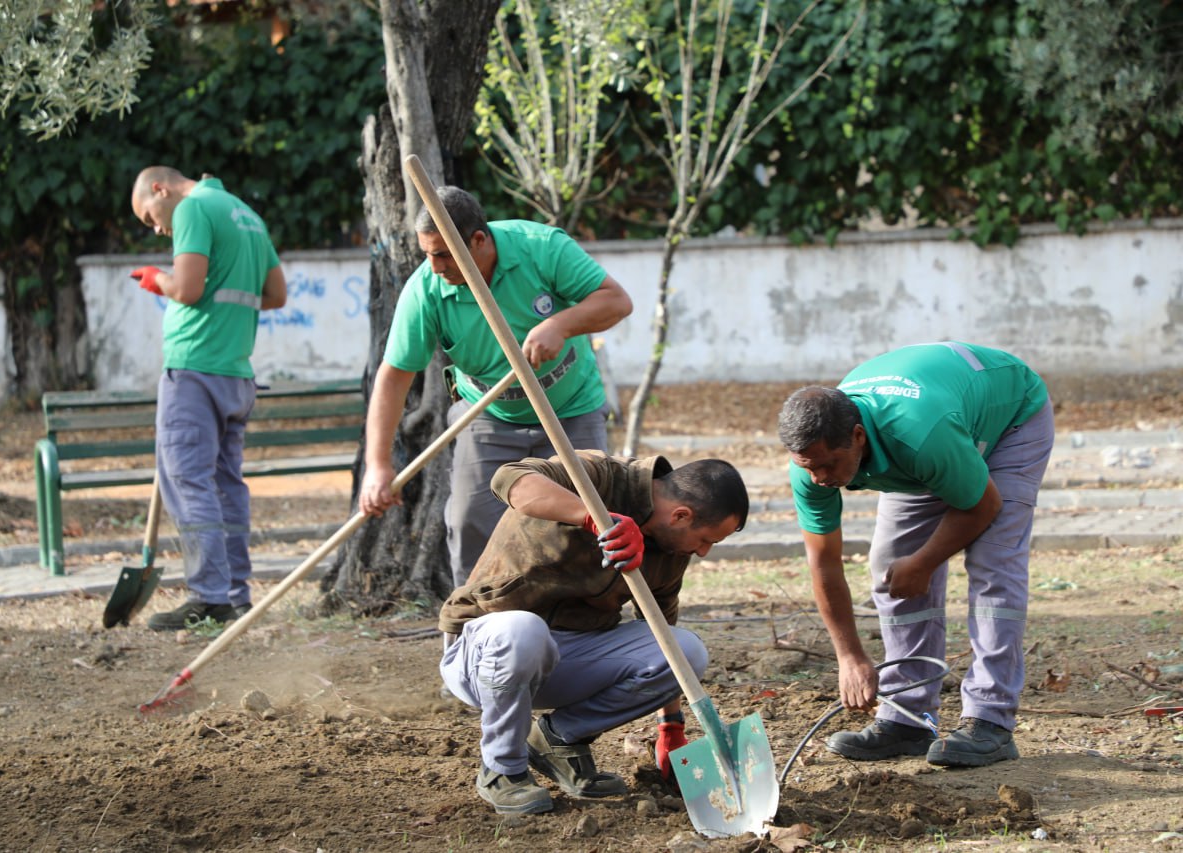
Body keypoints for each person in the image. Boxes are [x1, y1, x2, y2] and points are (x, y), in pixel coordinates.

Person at [777, 341, 1053, 768]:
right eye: (808, 466)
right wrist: (850, 656)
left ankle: (991, 721)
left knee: (994, 561)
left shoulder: (920, 432)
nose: (820, 478)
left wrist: (925, 561)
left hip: (1008, 420)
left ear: (857, 436)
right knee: (891, 567)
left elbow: (984, 506)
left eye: (829, 464)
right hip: (931, 438)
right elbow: (824, 562)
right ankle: (909, 718)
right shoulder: (811, 464)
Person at [437, 450, 749, 815]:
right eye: (707, 540)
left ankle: (559, 739)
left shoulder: (670, 549)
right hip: (485, 652)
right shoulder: (599, 474)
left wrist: (671, 727)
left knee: (687, 652)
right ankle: (503, 769)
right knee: (524, 630)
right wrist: (594, 518)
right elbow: (509, 479)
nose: (705, 553)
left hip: (568, 657)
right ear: (681, 516)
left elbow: (663, 630)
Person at [358, 186, 633, 589]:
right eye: (427, 253)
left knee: (587, 520)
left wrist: (560, 324)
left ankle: (583, 630)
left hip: (570, 407)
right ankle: (471, 634)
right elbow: (395, 376)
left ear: (479, 240)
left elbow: (617, 302)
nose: (434, 266)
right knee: (470, 520)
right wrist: (378, 465)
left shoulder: (542, 249)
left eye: (443, 254)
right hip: (487, 413)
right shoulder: (426, 290)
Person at [128, 166, 287, 631]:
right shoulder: (246, 214)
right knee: (225, 486)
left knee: (188, 481)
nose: (158, 228)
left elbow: (188, 288)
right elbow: (275, 294)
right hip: (236, 371)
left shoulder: (194, 208)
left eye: (150, 216)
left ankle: (210, 596)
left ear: (161, 189)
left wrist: (157, 279)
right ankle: (236, 594)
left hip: (194, 372)